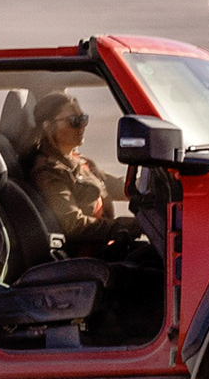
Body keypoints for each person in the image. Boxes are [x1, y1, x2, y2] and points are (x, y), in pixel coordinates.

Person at [28, 92, 139, 257]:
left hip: (107, 246)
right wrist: (126, 225)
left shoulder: (80, 162)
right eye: (74, 121)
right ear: (48, 126)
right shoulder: (48, 171)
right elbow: (74, 224)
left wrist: (150, 186)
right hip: (87, 257)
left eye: (83, 118)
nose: (82, 126)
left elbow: (118, 186)